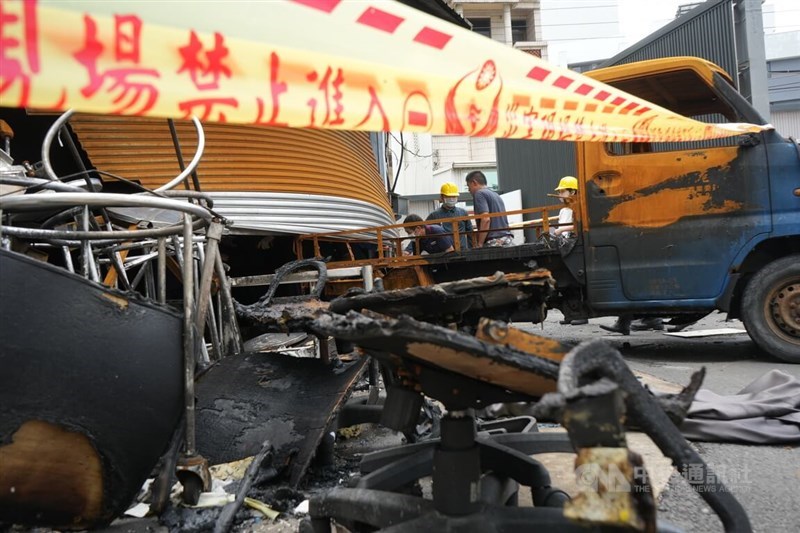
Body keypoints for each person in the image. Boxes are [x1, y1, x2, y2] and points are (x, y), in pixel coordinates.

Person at [465, 170, 513, 247]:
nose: (469, 190)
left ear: (474, 182)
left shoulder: (479, 194)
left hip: (494, 241)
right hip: (507, 238)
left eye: (468, 186)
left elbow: (486, 219)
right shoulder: (495, 195)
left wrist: (480, 243)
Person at [426, 182, 474, 251]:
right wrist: (409, 249)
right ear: (442, 197)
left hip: (462, 251)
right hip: (444, 253)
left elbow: (470, 232)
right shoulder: (434, 215)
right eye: (448, 196)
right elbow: (422, 231)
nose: (451, 199)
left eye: (454, 196)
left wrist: (471, 249)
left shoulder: (463, 212)